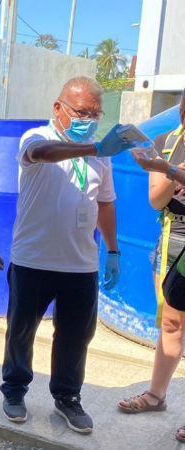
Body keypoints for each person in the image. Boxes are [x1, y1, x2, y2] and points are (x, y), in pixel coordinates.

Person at [0, 76, 136, 434]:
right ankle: (14, 389)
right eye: (81, 112)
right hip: (33, 259)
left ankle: (67, 398)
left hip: (80, 263)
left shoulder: (99, 156)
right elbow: (43, 155)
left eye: (95, 114)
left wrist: (113, 250)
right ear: (58, 108)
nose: (88, 120)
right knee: (21, 331)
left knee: (76, 336)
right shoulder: (36, 138)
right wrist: (96, 150)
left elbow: (105, 204)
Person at [118, 91, 185, 443]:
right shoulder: (167, 141)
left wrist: (171, 171)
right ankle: (156, 395)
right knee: (172, 322)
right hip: (175, 239)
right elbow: (156, 198)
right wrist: (172, 174)